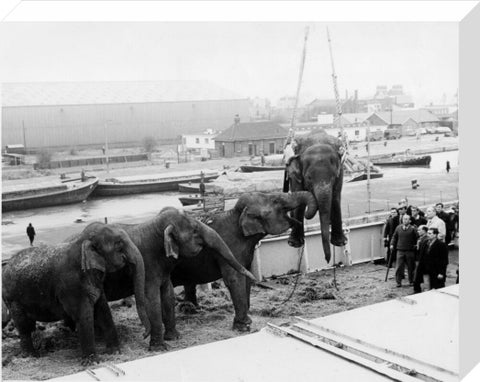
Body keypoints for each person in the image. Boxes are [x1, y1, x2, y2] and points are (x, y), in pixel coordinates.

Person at [391, 214, 418, 287]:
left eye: (406, 219)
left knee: (411, 267)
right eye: (403, 219)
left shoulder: (413, 229)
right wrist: (392, 244)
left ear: (410, 221)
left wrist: (416, 245)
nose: (404, 220)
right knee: (399, 267)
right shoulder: (398, 228)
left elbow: (417, 238)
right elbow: (394, 237)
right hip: (400, 250)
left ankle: (411, 281)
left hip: (410, 250)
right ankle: (398, 282)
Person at [413, 225, 429, 293]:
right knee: (417, 275)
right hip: (418, 259)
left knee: (419, 276)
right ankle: (417, 288)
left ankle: (419, 289)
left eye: (419, 230)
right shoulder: (420, 239)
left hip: (422, 261)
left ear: (424, 231)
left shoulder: (426, 240)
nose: (418, 231)